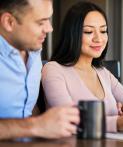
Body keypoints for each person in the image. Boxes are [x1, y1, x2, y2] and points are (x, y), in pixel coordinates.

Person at [42, 1, 123, 132]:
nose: (99, 39)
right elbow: (70, 122)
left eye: (103, 31)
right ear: (72, 34)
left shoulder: (103, 73)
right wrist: (120, 122)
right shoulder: (53, 70)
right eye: (89, 31)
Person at [0, 0, 79, 140]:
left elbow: (27, 110)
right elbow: (34, 124)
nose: (50, 29)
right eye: (41, 22)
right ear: (9, 22)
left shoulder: (33, 51)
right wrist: (35, 126)